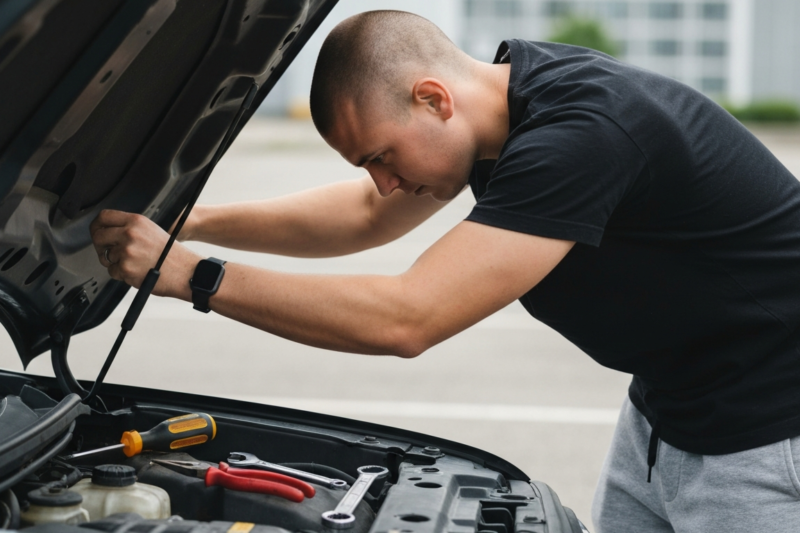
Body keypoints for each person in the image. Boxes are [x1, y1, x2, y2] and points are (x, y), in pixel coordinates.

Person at [90, 10, 800, 533]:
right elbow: (363, 216)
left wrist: (191, 276)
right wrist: (188, 221)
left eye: (381, 156)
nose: (384, 182)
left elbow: (409, 316)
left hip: (764, 433)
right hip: (665, 411)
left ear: (433, 98)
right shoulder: (503, 106)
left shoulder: (580, 136)